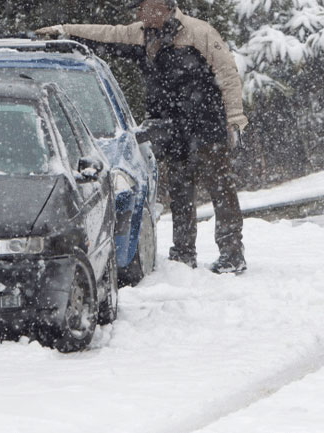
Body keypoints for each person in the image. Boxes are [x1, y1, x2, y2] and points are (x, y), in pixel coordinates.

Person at [36, 0, 249, 274]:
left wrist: (234, 121)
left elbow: (228, 76)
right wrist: (64, 31)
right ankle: (183, 254)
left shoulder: (199, 33)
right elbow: (106, 34)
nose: (138, 13)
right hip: (174, 131)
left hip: (208, 128)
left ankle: (232, 254)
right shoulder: (141, 34)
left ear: (161, 6)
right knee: (181, 193)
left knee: (222, 191)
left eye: (143, 7)